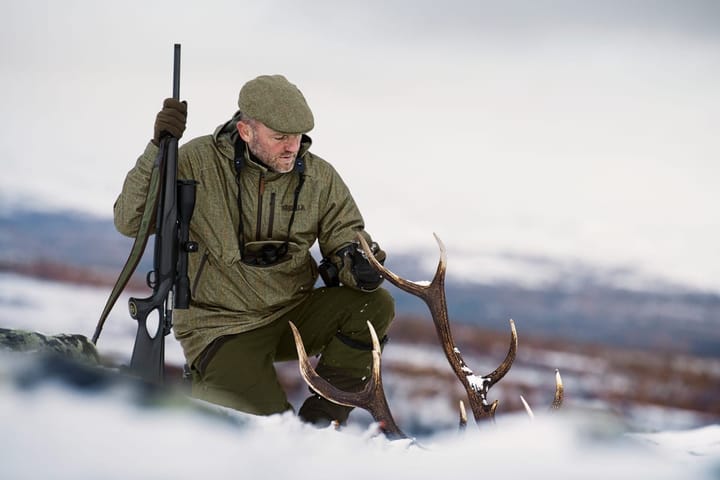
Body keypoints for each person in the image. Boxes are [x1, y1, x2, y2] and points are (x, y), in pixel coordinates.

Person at [114, 75, 395, 425]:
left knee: (374, 305)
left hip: (292, 311)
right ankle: (217, 385)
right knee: (263, 431)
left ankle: (322, 426)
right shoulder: (195, 163)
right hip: (221, 325)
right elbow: (129, 221)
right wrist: (158, 148)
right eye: (280, 137)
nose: (292, 147)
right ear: (246, 131)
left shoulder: (319, 178)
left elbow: (346, 235)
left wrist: (358, 263)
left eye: (298, 137)